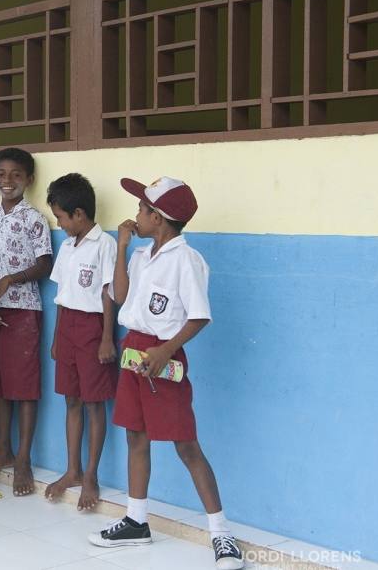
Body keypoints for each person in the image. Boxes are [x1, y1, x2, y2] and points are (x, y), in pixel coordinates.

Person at [88, 177, 244, 570]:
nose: (135, 217)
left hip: (163, 356)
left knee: (185, 444)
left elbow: (199, 316)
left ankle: (221, 534)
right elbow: (120, 296)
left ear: (158, 218)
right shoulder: (143, 255)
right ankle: (136, 519)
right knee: (135, 436)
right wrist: (123, 249)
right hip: (133, 353)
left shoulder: (185, 260)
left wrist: (165, 350)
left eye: (142, 210)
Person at [0, 148, 53, 496]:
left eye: (16, 175)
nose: (8, 181)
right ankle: (1, 449)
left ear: (29, 180)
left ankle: (22, 459)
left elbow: (45, 264)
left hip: (23, 310)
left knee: (24, 387)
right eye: (1, 174)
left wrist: (9, 280)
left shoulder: (34, 218)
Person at [44, 173, 118, 510]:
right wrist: (58, 338)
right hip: (69, 328)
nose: (59, 224)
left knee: (94, 403)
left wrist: (106, 338)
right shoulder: (68, 246)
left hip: (92, 329)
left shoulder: (105, 245)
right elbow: (61, 296)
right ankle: (71, 469)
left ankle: (91, 474)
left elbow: (107, 294)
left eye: (60, 217)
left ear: (78, 214)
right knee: (71, 400)